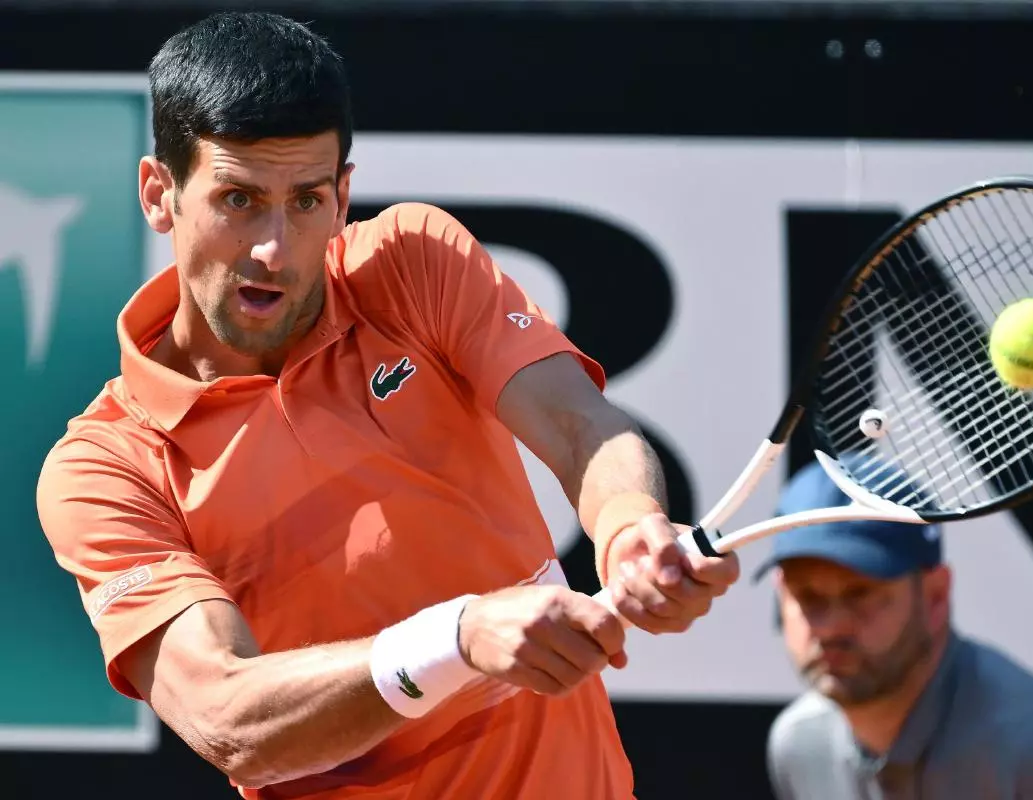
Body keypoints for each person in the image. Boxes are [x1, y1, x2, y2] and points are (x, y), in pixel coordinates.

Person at [33, 11, 739, 800]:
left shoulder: (412, 261)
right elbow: (226, 716)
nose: (274, 248)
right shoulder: (104, 469)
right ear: (159, 194)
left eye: (306, 201)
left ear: (343, 196)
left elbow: (580, 425)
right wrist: (455, 639)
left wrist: (628, 527)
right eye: (239, 200)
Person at [758, 460, 1033, 799]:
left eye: (861, 592)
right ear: (781, 595)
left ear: (936, 595)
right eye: (808, 596)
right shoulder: (798, 745)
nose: (831, 627)